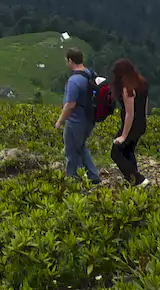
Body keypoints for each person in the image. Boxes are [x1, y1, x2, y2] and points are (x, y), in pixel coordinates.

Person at [54, 47, 101, 185]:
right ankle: (93, 176)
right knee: (80, 146)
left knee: (71, 151)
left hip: (76, 121)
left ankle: (72, 178)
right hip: (89, 119)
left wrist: (59, 121)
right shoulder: (89, 73)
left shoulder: (74, 81)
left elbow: (70, 105)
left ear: (70, 60)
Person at [109, 57, 150, 186]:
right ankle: (134, 181)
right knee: (128, 151)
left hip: (132, 126)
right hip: (141, 124)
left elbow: (129, 114)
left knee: (116, 153)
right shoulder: (141, 83)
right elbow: (145, 105)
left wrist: (123, 135)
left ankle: (139, 180)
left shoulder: (127, 89)